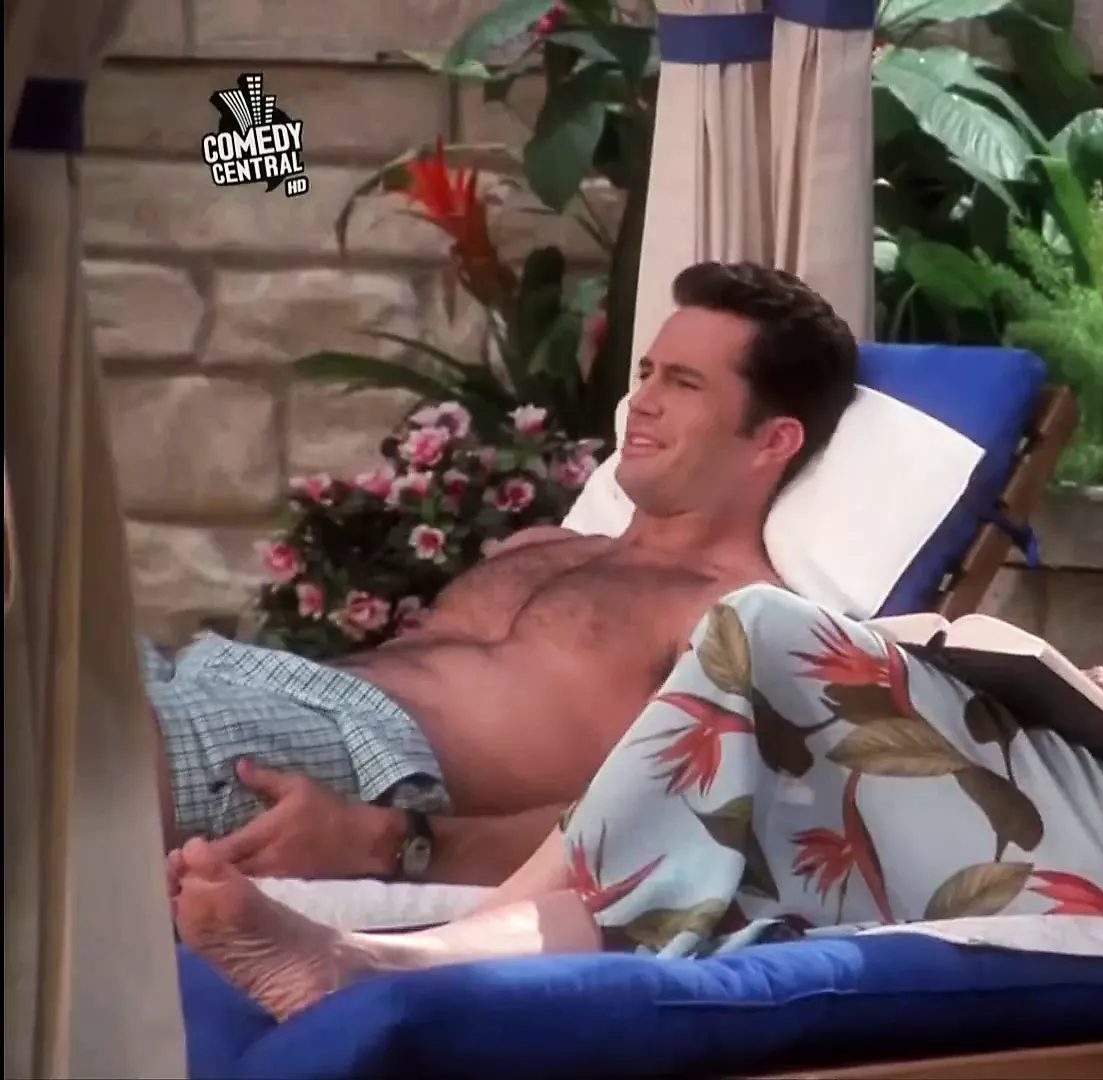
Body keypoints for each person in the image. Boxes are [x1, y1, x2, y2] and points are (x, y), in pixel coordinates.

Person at [172, 154, 1103, 1023]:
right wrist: (1059, 695)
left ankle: (416, 955)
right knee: (750, 742)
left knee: (759, 633)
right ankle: (407, 966)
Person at [147, 260, 860, 885]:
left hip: (361, 761)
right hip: (228, 677)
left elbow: (680, 825)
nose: (641, 401)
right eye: (647, 373)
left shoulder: (738, 616)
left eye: (684, 383)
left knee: (85, 755)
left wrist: (390, 841)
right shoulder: (547, 545)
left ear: (773, 440)